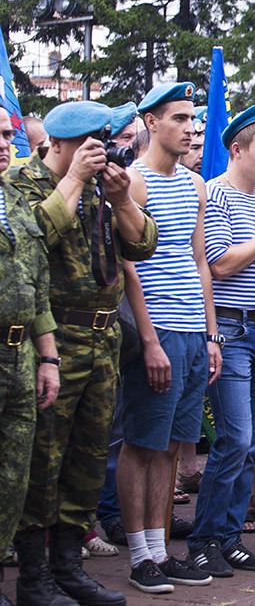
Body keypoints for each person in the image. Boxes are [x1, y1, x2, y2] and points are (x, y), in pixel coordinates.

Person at [9, 101, 159, 606]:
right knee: (42, 463)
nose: (107, 153)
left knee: (88, 460)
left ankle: (68, 566)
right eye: (97, 142)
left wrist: (122, 202)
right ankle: (34, 577)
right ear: (64, 142)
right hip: (52, 342)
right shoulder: (23, 185)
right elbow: (35, 238)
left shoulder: (101, 189)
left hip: (101, 343)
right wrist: (71, 179)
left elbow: (142, 247)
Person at [186, 105, 255, 577]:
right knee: (233, 437)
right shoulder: (216, 193)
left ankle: (229, 537)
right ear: (236, 149)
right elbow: (218, 264)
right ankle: (204, 539)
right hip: (230, 329)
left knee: (253, 436)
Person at [121, 82, 220, 593]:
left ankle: (160, 549)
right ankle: (139, 555)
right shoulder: (132, 183)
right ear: (151, 123)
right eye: (179, 118)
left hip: (189, 331)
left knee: (172, 449)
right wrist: (149, 338)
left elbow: (198, 260)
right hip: (155, 328)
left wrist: (211, 333)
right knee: (141, 444)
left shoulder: (195, 183)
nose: (191, 128)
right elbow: (130, 269)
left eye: (193, 120)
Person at [0, 107, 62, 606]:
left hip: (21, 357)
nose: (7, 143)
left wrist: (48, 358)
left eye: (8, 134)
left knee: (13, 478)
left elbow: (37, 286)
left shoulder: (13, 200)